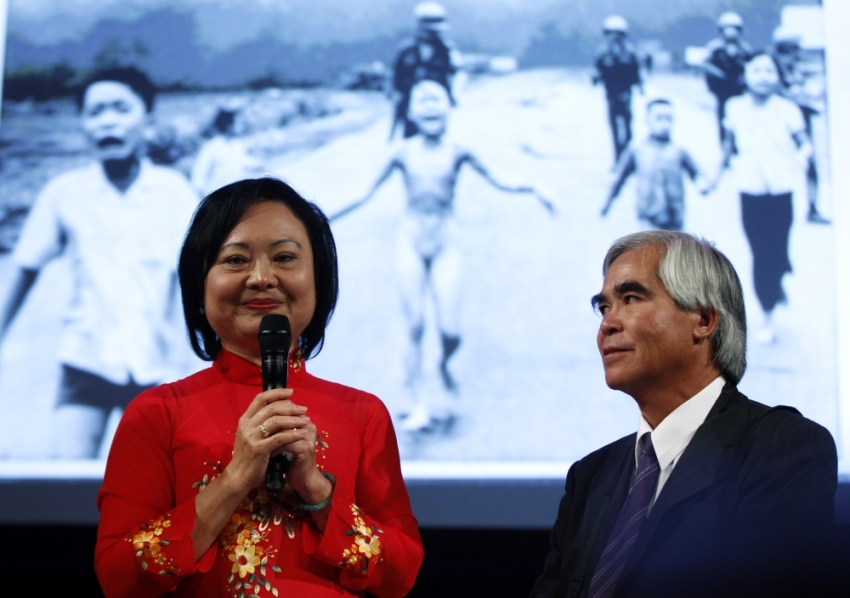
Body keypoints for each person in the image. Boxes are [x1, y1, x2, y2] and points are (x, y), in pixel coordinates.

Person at [95, 178, 423, 597]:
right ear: (199, 287)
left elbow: (401, 574)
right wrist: (234, 479)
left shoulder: (363, 413)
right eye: (235, 260)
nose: (261, 278)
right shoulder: (157, 412)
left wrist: (316, 489)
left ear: (318, 282)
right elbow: (119, 577)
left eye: (285, 257)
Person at [529, 231, 837, 598]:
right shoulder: (591, 476)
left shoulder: (782, 448)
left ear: (704, 320)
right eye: (604, 307)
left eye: (630, 299)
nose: (607, 324)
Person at [333, 78, 554, 433]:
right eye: (422, 99)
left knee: (451, 330)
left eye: (437, 98)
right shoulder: (402, 151)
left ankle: (444, 366)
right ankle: (419, 402)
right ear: (410, 110)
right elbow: (362, 191)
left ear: (450, 107)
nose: (430, 105)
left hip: (446, 243)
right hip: (410, 242)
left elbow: (499, 177)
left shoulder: (458, 150)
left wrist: (533, 187)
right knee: (416, 324)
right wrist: (313, 216)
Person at [0, 66, 199, 458]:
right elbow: (25, 267)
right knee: (62, 486)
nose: (108, 121)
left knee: (152, 497)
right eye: (95, 112)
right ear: (83, 125)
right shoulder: (64, 193)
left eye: (121, 108)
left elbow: (202, 278)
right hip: (85, 362)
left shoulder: (175, 193)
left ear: (148, 118)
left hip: (154, 369)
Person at [716, 52, 812, 344]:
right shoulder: (734, 108)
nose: (763, 76)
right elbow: (728, 147)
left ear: (778, 77)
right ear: (746, 74)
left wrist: (799, 160)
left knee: (777, 249)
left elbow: (805, 144)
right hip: (750, 189)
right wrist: (714, 177)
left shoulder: (788, 109)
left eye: (770, 71)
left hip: (782, 190)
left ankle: (779, 274)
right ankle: (768, 314)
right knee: (761, 253)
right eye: (757, 70)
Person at [601, 99, 711, 231]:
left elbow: (696, 173)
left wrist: (702, 183)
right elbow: (619, 178)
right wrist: (608, 203)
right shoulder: (637, 150)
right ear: (647, 120)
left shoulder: (678, 151)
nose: (665, 124)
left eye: (669, 119)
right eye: (659, 119)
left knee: (674, 250)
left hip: (675, 217)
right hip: (648, 216)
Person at [772, 27, 830, 224]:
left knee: (810, 164)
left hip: (802, 121)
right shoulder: (773, 69)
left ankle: (812, 207)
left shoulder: (796, 68)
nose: (796, 54)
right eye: (792, 49)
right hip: (781, 124)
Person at [390, 1, 461, 140]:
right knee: (410, 139)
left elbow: (456, 73)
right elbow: (397, 78)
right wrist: (398, 95)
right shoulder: (406, 50)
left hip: (436, 101)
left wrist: (453, 95)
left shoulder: (447, 50)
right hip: (411, 103)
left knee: (437, 137)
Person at [592, 15, 643, 165]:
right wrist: (595, 78)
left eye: (618, 34)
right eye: (610, 34)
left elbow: (637, 72)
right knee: (614, 127)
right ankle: (617, 157)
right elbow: (597, 72)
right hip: (611, 95)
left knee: (628, 127)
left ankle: (627, 158)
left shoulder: (630, 53)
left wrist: (640, 86)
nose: (614, 38)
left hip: (626, 94)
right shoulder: (602, 54)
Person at [702, 12, 753, 143]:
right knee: (723, 118)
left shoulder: (744, 48)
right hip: (722, 89)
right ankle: (724, 144)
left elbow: (750, 66)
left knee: (741, 117)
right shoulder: (715, 47)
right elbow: (706, 64)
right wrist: (721, 76)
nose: (731, 32)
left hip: (738, 89)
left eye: (734, 28)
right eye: (727, 28)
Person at [191, 106, 262, 197]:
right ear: (228, 125)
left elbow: (243, 161)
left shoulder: (237, 145)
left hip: (237, 195)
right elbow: (199, 173)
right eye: (237, 122)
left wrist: (259, 164)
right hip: (218, 197)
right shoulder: (212, 147)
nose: (240, 125)